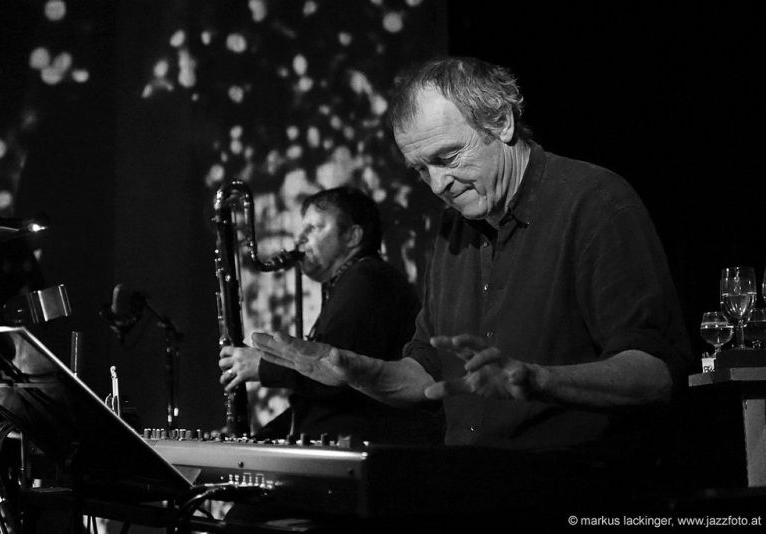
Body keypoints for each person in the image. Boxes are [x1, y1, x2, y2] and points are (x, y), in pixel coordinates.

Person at [250, 57, 692, 490]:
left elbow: (655, 373)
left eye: (448, 157)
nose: (437, 184)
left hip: (573, 489)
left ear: (502, 122)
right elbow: (429, 377)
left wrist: (537, 379)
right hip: (472, 487)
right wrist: (358, 372)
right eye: (421, 169)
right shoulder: (453, 228)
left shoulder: (594, 201)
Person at [219, 186, 444, 445]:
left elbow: (334, 373)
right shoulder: (353, 279)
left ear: (352, 236)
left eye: (314, 227)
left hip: (373, 448)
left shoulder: (367, 278)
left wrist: (263, 365)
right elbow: (318, 401)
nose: (300, 238)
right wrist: (256, 439)